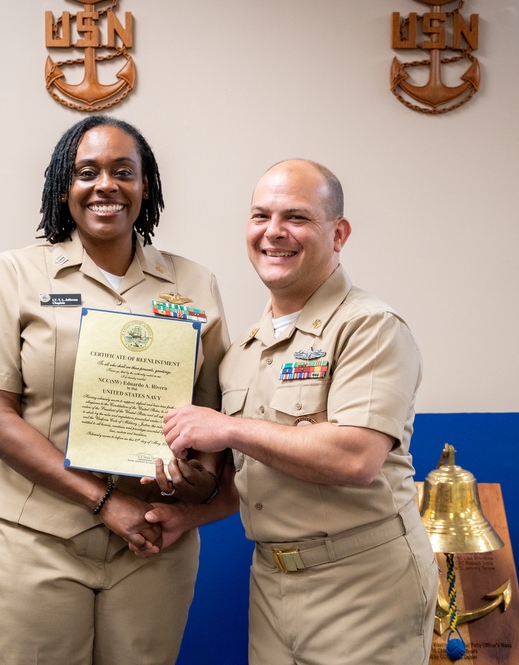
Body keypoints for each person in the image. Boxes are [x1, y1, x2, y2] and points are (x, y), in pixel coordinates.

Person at [0, 115, 230, 665]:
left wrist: (202, 478)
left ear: (144, 187)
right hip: (34, 536)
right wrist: (103, 501)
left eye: (124, 171)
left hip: (151, 540)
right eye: (87, 172)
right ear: (64, 187)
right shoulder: (18, 274)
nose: (106, 185)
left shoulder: (196, 284)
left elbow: (212, 412)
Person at [158, 159, 439, 665]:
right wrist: (187, 516)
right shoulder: (243, 352)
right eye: (260, 216)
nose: (274, 232)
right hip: (272, 582)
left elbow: (355, 457)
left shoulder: (370, 327)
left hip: (364, 584)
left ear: (339, 233)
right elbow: (251, 484)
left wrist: (228, 428)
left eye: (297, 217)